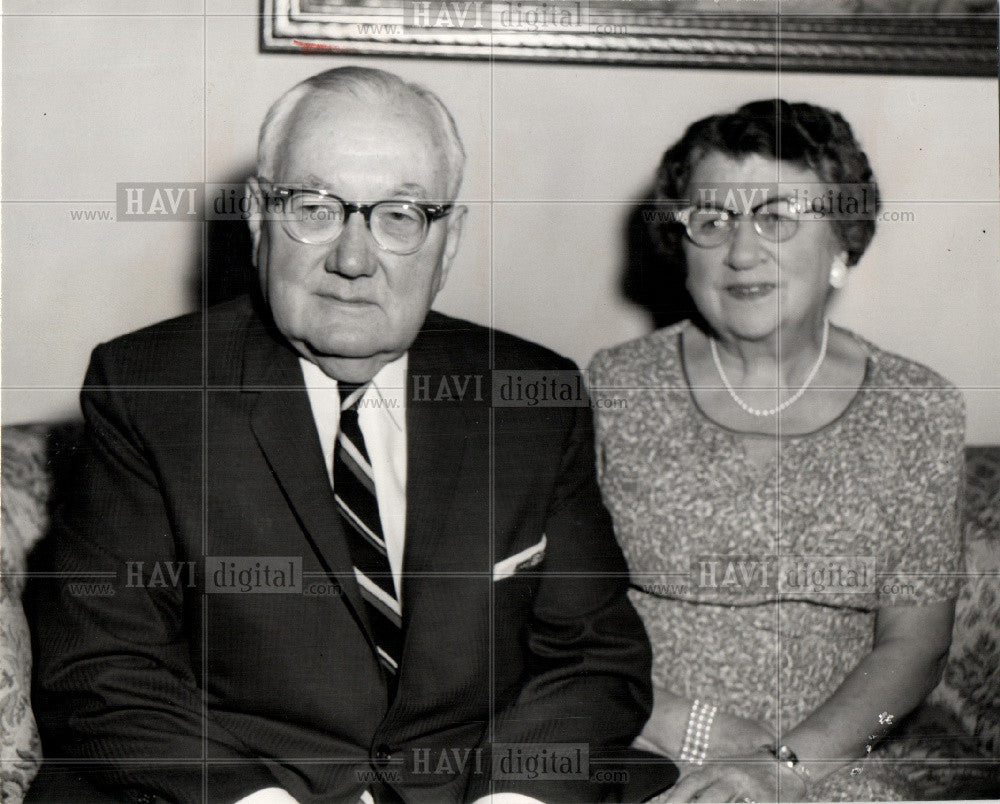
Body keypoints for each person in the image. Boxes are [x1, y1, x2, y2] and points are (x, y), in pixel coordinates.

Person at [31, 67, 673, 804]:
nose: (354, 259)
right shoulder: (149, 387)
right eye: (315, 207)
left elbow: (594, 662)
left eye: (400, 215)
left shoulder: (532, 397)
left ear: (449, 238)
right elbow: (103, 668)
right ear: (257, 216)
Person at [589, 99, 965, 803]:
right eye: (713, 220)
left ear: (843, 242)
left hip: (835, 758)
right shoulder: (613, 387)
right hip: (634, 738)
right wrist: (677, 723)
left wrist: (786, 766)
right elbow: (547, 614)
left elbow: (918, 649)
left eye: (777, 215)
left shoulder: (919, 409)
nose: (740, 252)